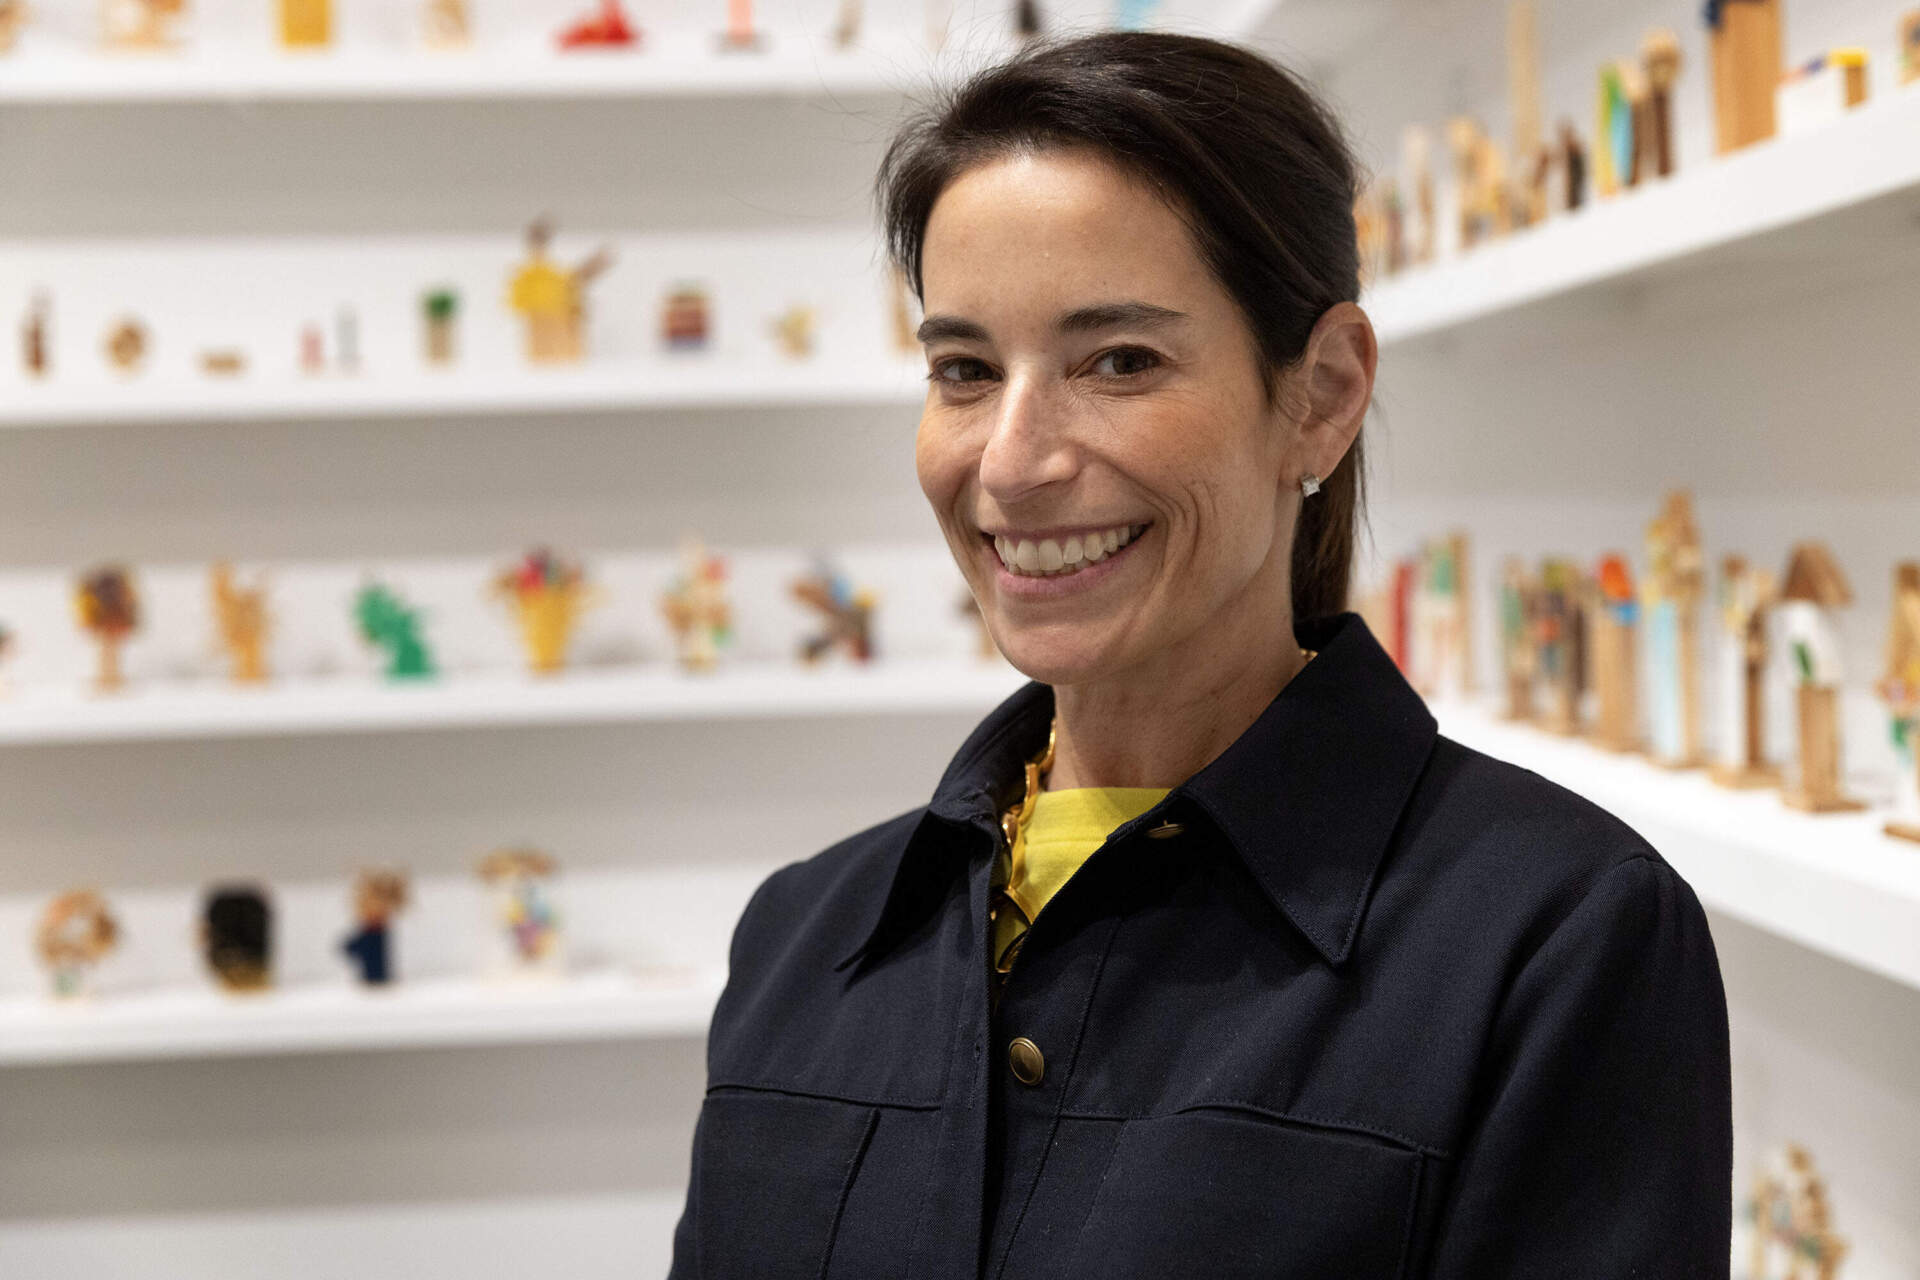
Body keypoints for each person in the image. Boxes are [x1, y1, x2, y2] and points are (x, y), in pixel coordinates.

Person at [668, 31, 1731, 1279]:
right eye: (964, 368)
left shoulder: (1554, 940)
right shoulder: (803, 934)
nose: (1010, 459)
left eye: (1119, 361)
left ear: (1322, 393)